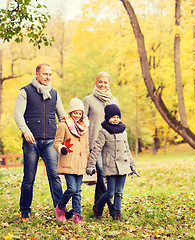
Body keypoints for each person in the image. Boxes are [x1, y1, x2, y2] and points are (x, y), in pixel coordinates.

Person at [14, 63, 66, 220]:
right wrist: (25, 130)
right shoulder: (25, 92)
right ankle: (25, 211)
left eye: (50, 74)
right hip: (31, 142)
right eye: (45, 74)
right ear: (37, 74)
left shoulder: (54, 94)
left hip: (50, 141)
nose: (48, 77)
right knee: (29, 178)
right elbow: (18, 114)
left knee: (55, 177)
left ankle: (60, 211)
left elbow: (62, 115)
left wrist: (75, 122)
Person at [86, 104, 139, 221]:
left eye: (117, 117)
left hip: (123, 166)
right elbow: (96, 149)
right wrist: (90, 165)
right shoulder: (104, 132)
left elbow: (127, 149)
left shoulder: (123, 132)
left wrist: (132, 164)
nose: (115, 119)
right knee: (110, 192)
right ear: (107, 118)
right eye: (113, 117)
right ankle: (98, 206)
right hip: (110, 167)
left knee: (119, 192)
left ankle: (116, 214)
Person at [83, 72, 119, 216]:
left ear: (109, 84)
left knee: (104, 177)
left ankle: (98, 207)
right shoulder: (88, 100)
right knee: (103, 174)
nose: (102, 85)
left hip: (111, 145)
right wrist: (85, 147)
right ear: (96, 82)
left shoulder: (114, 100)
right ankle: (111, 207)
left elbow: (118, 123)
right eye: (100, 82)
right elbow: (82, 124)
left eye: (105, 82)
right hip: (95, 144)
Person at [53, 98, 89, 224]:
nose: (77, 116)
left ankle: (76, 216)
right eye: (75, 113)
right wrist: (61, 148)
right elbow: (56, 142)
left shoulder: (84, 128)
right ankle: (60, 208)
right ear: (70, 113)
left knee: (78, 192)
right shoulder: (63, 126)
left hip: (80, 164)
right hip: (69, 162)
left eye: (80, 113)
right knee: (72, 189)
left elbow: (86, 147)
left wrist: (89, 163)